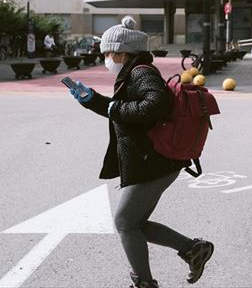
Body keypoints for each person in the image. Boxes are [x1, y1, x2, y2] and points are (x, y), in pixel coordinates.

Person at [68, 16, 214, 288]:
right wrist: (94, 101)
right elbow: (124, 112)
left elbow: (154, 105)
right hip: (156, 159)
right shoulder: (134, 71)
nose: (106, 59)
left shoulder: (141, 72)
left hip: (154, 160)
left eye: (108, 54)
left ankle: (144, 282)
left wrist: (114, 108)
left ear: (122, 52)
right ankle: (193, 250)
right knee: (135, 223)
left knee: (125, 222)